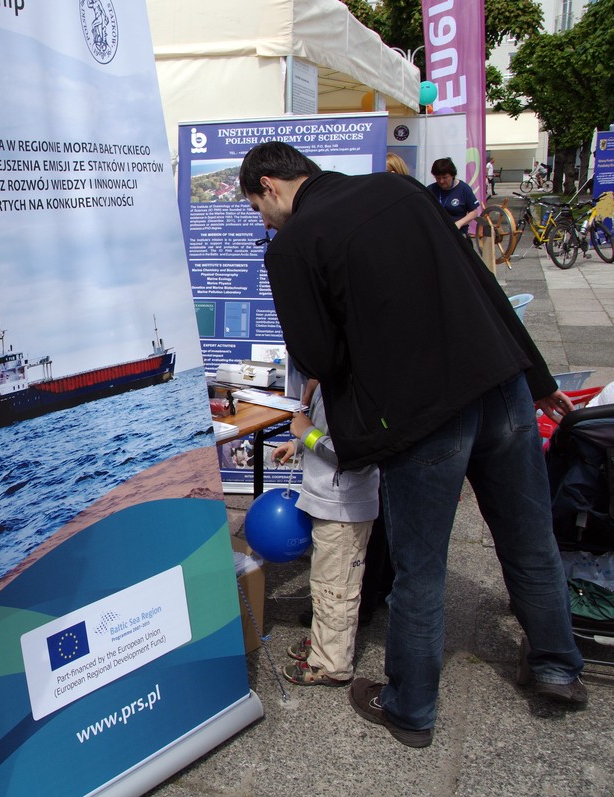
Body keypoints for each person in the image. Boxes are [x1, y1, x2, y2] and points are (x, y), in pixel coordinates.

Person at [238, 141, 586, 749]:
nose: (263, 222)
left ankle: (410, 707)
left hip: (422, 415)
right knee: (531, 539)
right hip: (499, 384)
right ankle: (557, 666)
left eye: (256, 208)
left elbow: (317, 356)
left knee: (420, 568)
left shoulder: (292, 245)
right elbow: (482, 283)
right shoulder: (399, 189)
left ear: (269, 185)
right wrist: (539, 379)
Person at [272, 378, 379, 687]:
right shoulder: (327, 383)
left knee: (336, 590)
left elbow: (352, 456)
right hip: (330, 506)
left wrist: (306, 433)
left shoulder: (355, 390)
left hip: (343, 509)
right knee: (323, 584)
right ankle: (323, 642)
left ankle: (332, 665)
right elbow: (325, 437)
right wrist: (298, 445)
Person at [428, 157, 481, 235]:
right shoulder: (430, 189)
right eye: (438, 178)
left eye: (445, 177)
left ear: (453, 175)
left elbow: (474, 212)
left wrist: (459, 223)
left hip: (457, 233)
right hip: (436, 233)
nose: (441, 181)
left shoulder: (463, 189)